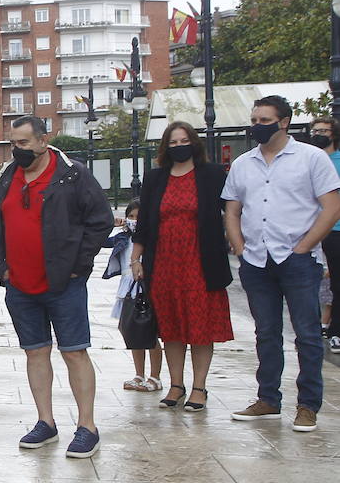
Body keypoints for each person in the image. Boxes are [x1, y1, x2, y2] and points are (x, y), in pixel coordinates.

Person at [0, 115, 113, 459]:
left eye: (24, 143)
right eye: (14, 143)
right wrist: (0, 267)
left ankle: (87, 426)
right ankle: (46, 422)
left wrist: (78, 263)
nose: (17, 150)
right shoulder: (9, 176)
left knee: (73, 351)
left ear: (44, 141)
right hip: (20, 285)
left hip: (63, 283)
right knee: (35, 351)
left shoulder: (72, 174)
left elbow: (101, 221)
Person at [223, 96, 340, 432]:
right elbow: (232, 209)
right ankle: (268, 399)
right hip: (257, 259)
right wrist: (240, 247)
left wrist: (304, 246)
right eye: (254, 119)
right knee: (266, 332)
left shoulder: (311, 158)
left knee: (306, 333)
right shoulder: (244, 163)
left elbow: (332, 207)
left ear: (284, 121)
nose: (257, 125)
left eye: (264, 120)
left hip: (298, 259)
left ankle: (308, 405)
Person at [131, 123, 234, 413]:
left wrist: (235, 239)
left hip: (202, 261)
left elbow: (232, 211)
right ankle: (176, 385)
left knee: (201, 327)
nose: (179, 145)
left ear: (194, 143)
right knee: (171, 327)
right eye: (173, 141)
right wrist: (136, 259)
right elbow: (145, 223)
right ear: (166, 146)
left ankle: (199, 387)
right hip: (164, 262)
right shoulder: (155, 178)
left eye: (183, 140)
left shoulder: (212, 175)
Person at [105, 202, 164, 393]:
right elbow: (100, 240)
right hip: (127, 290)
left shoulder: (153, 239)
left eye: (139, 217)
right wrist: (109, 224)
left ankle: (155, 376)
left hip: (147, 289)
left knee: (149, 333)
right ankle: (139, 374)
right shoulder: (123, 238)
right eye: (131, 216)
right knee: (132, 332)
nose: (134, 221)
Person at [309, 115, 340, 353]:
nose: (319, 134)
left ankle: (335, 328)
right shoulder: (308, 159)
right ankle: (324, 324)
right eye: (316, 130)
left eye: (324, 130)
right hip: (313, 230)